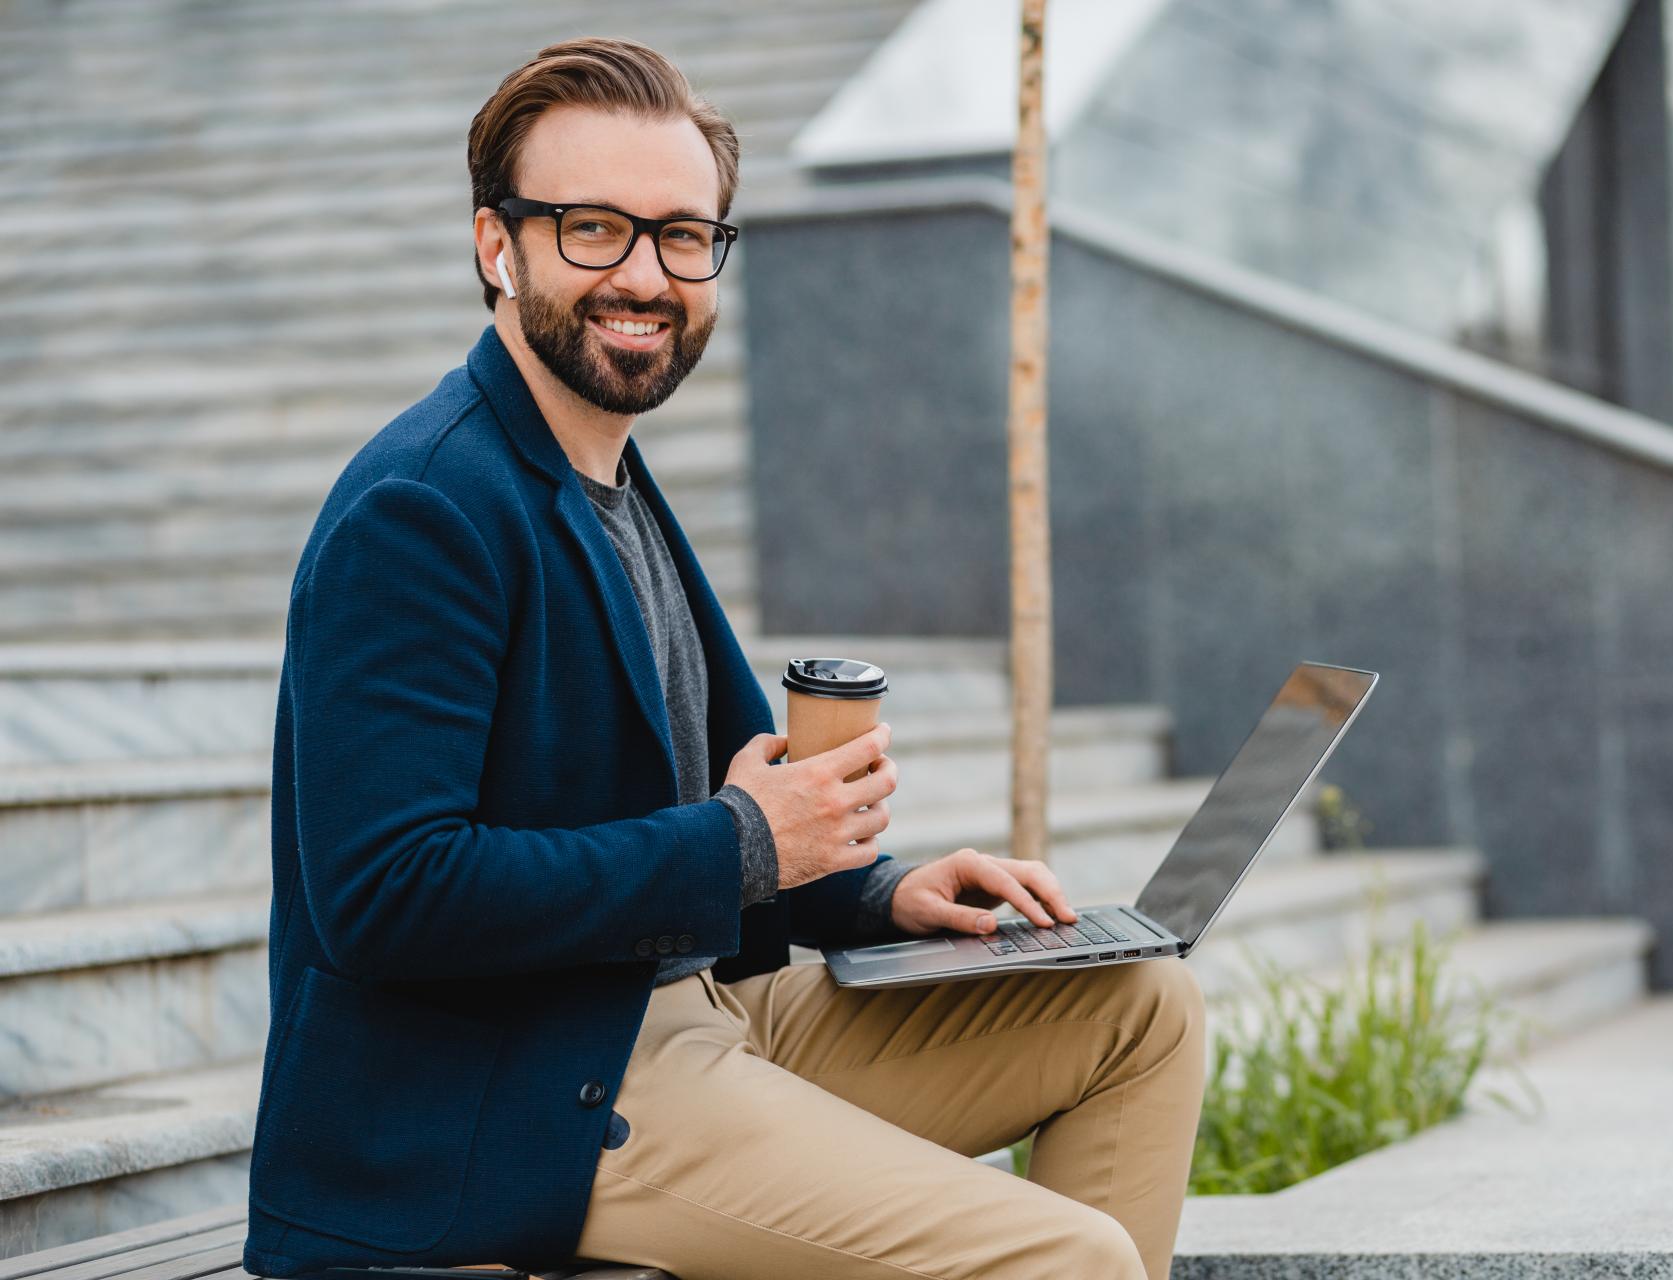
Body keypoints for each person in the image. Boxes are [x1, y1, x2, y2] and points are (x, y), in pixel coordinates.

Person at [241, 36, 1205, 1280]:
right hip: (518, 1097)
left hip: (686, 1021)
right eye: (594, 228)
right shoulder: (423, 507)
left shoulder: (611, 478)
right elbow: (385, 896)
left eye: (684, 235)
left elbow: (734, 823)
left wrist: (876, 891)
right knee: (1064, 1258)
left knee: (1140, 1007)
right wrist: (749, 839)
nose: (646, 273)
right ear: (499, 245)